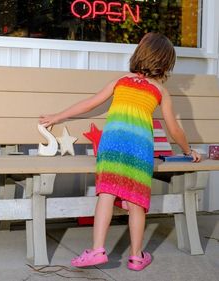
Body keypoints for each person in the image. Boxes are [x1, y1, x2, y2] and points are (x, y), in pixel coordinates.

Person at [39, 32, 202, 271]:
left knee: (106, 194)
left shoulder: (121, 81)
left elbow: (90, 103)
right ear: (166, 64)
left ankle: (97, 249)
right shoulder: (160, 91)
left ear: (139, 55)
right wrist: (188, 150)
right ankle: (136, 257)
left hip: (112, 143)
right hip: (139, 149)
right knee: (136, 201)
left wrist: (56, 116)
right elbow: (174, 129)